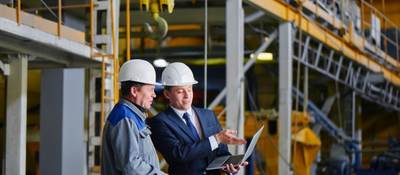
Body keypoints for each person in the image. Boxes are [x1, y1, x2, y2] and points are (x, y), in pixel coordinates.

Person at [148, 62, 248, 175]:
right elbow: (178, 154)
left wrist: (229, 166)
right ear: (167, 94)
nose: (187, 95)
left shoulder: (208, 115)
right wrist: (216, 139)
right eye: (180, 91)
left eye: (190, 89)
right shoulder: (159, 122)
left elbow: (221, 152)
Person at [101, 59, 166, 175]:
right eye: (151, 89)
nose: (154, 94)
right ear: (134, 91)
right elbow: (131, 166)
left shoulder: (133, 116)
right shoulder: (124, 118)